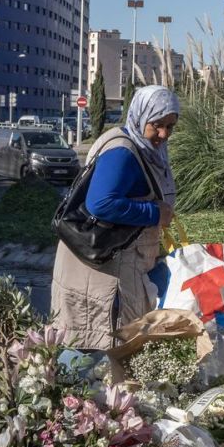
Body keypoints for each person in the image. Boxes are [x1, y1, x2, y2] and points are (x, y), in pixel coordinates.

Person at [51, 85, 179, 350]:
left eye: (170, 126)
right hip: (101, 271)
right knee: (88, 349)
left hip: (110, 265)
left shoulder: (141, 148)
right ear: (141, 116)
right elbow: (101, 203)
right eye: (157, 125)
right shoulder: (123, 152)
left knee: (94, 347)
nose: (164, 134)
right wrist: (155, 213)